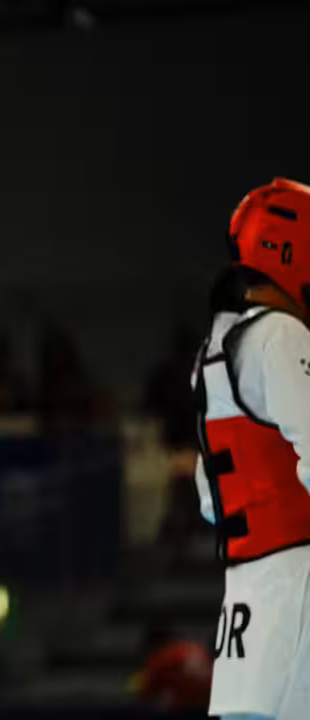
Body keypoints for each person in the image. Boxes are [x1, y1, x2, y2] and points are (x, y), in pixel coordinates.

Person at [193, 177, 310, 720]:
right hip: (298, 586)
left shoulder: (214, 354)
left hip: (247, 600)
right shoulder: (283, 336)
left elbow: (210, 500)